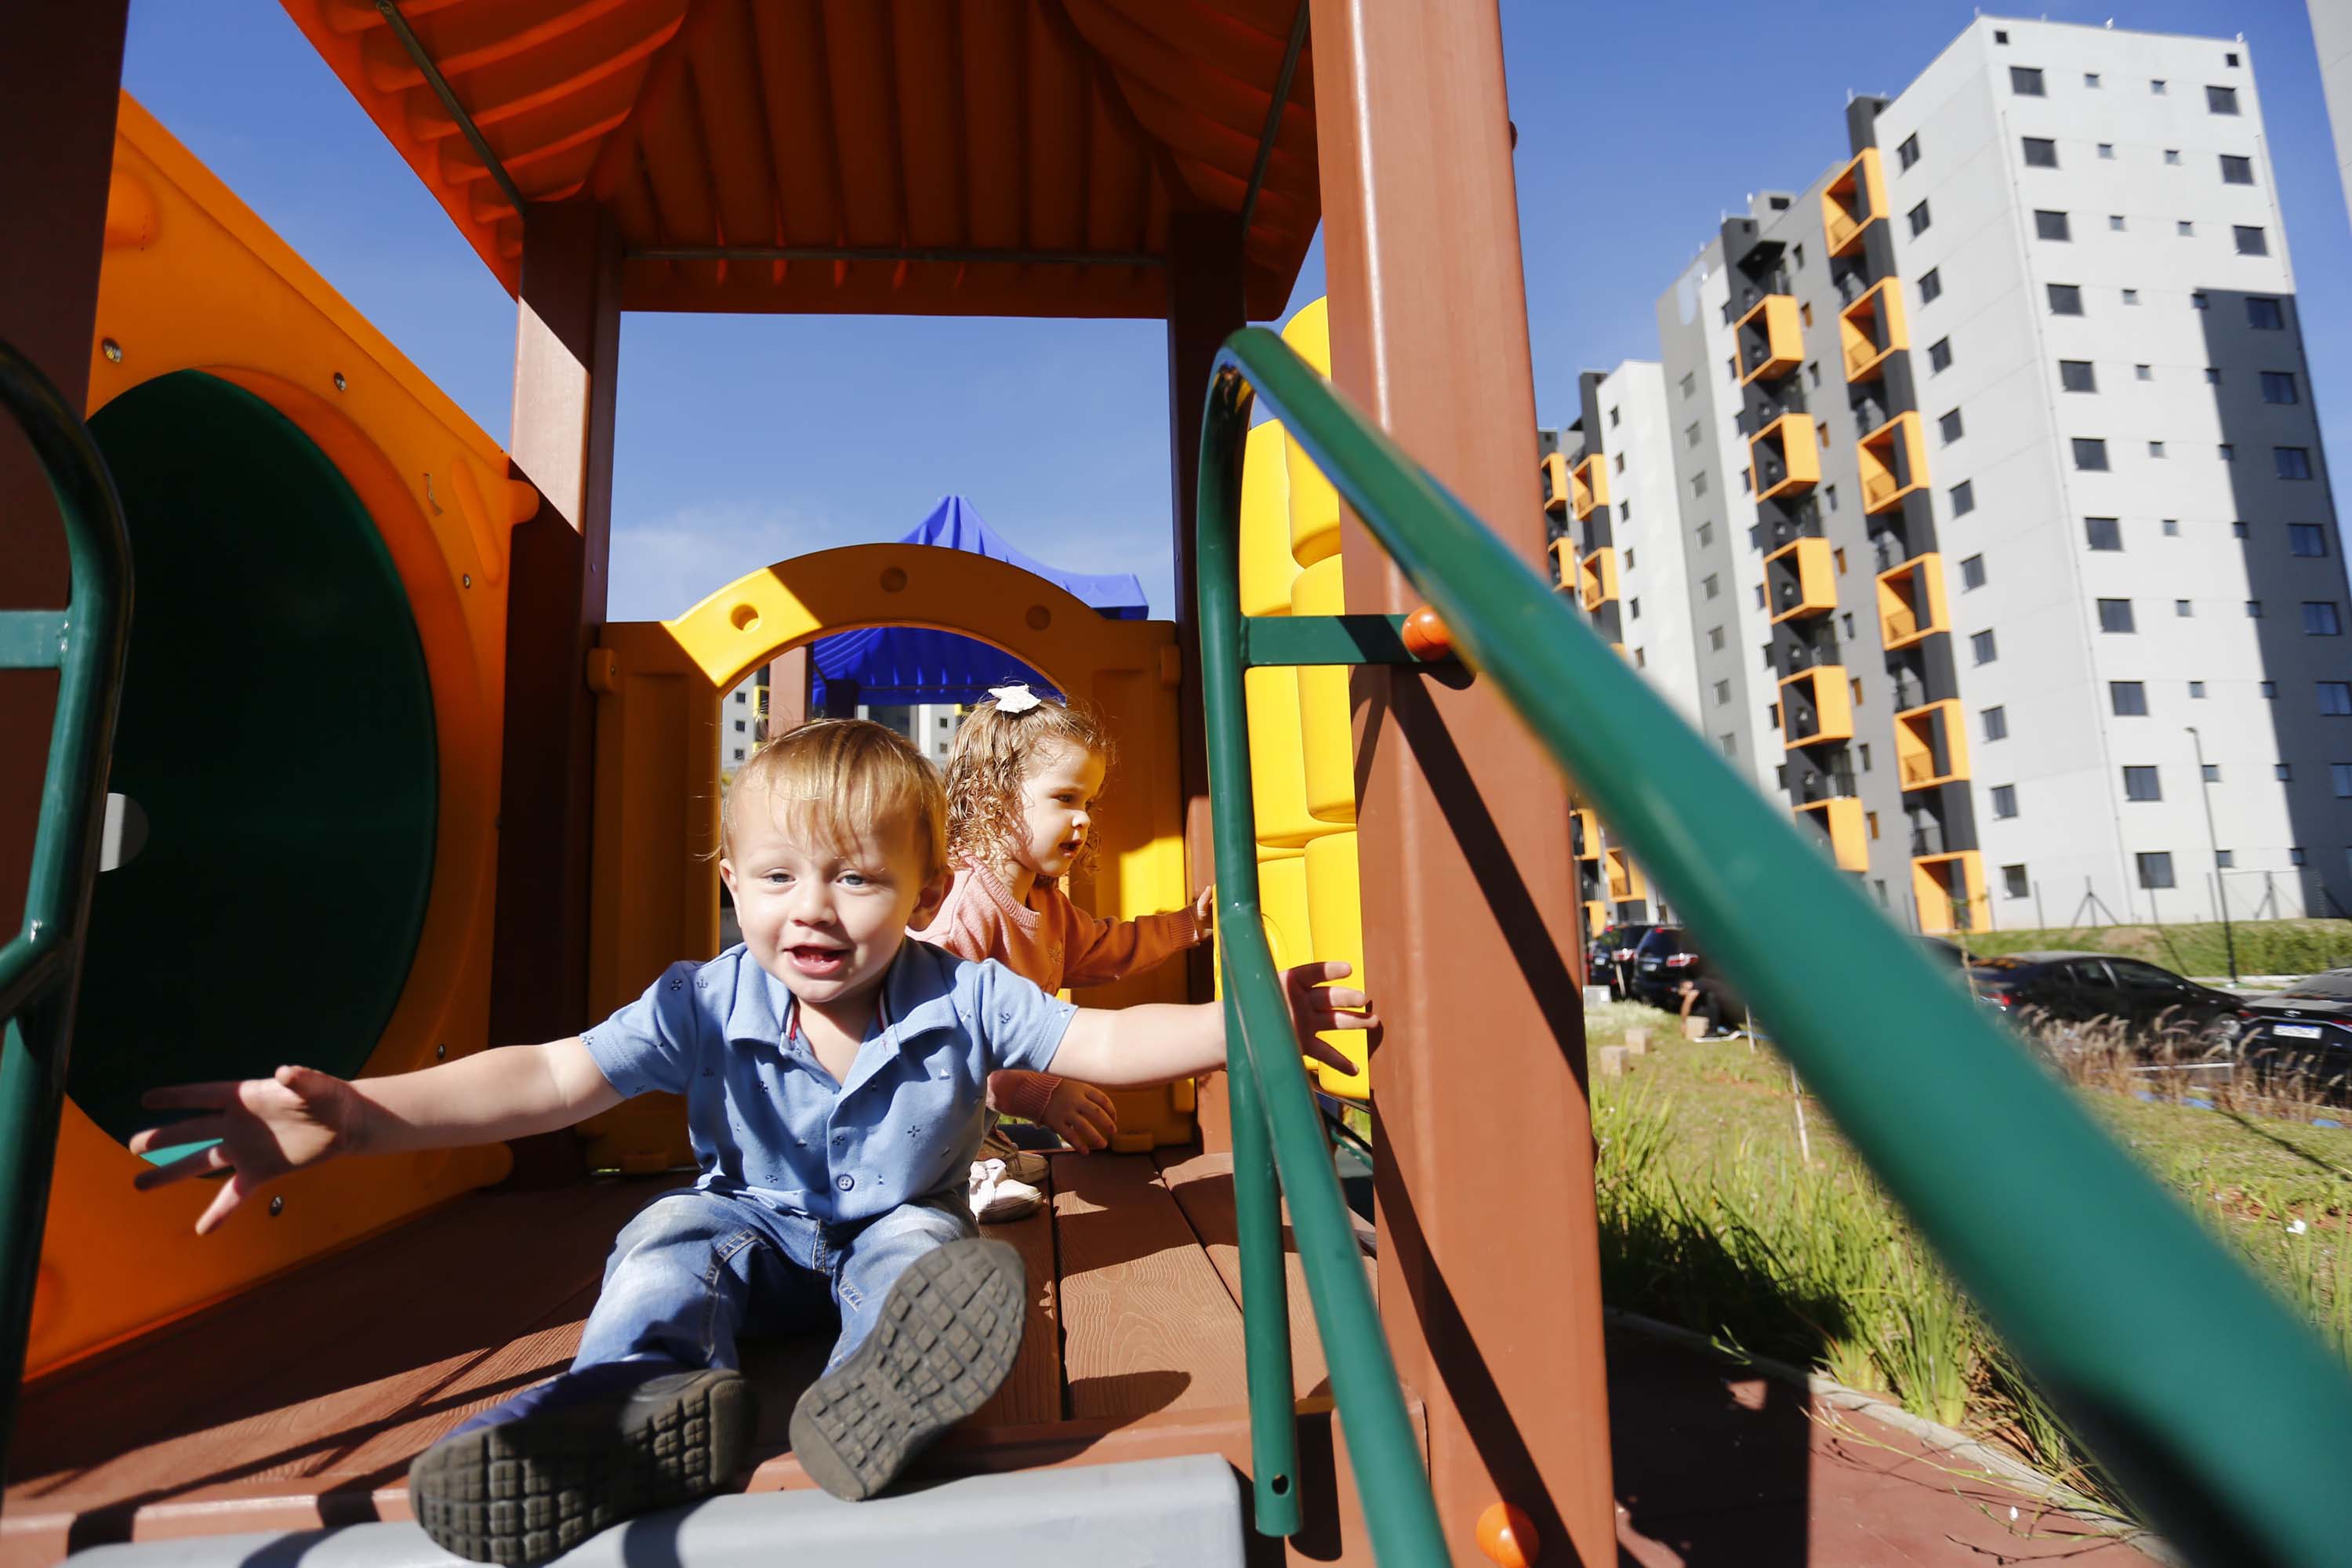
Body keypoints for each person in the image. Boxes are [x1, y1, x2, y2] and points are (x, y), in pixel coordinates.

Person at [128, 719, 1370, 1566]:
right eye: (775, 877)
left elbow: (1095, 1041)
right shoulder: (700, 999)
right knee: (668, 1237)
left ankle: (876, 1400)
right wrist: (362, 1114)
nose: (811, 909)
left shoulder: (959, 991)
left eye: (857, 880)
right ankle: (632, 1405)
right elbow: (553, 1077)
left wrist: (1236, 1022)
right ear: (730, 880)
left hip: (895, 1221)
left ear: (928, 889)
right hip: (755, 1226)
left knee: (924, 1260)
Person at [913, 684, 1213, 1222]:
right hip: (910, 1104)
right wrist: (1039, 1093)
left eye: (1089, 802)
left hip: (970, 1098)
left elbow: (1103, 949)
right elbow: (939, 1042)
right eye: (1065, 798)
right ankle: (952, 1174)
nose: (1084, 818)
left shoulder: (1042, 901)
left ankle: (980, 1150)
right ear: (994, 796)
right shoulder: (962, 905)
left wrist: (1188, 925)